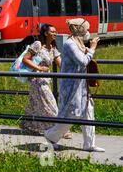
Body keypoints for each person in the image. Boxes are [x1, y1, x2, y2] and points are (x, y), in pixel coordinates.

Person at [44, 18, 105, 152]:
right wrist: (92, 49)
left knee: (88, 112)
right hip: (71, 86)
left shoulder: (78, 43)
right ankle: (50, 136)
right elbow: (82, 62)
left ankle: (89, 144)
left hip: (81, 85)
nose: (88, 32)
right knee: (71, 115)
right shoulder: (70, 44)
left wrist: (87, 50)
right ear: (79, 29)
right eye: (86, 29)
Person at [20, 24, 64, 136]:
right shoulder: (38, 44)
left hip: (45, 80)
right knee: (51, 104)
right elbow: (25, 59)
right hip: (37, 80)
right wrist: (39, 68)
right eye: (53, 32)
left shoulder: (53, 49)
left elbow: (61, 65)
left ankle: (27, 125)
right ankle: (59, 130)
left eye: (56, 32)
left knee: (34, 104)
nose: (55, 33)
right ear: (45, 33)